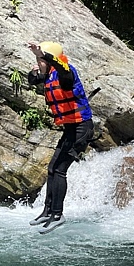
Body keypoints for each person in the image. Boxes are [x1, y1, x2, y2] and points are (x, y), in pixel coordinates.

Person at [25, 40, 94, 230]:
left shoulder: (65, 74)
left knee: (60, 169)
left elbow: (61, 69)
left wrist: (42, 54)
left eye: (41, 60)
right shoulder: (48, 75)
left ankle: (57, 214)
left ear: (51, 60)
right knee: (52, 168)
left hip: (82, 128)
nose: (39, 63)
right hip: (71, 128)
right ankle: (47, 212)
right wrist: (34, 71)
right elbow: (32, 80)